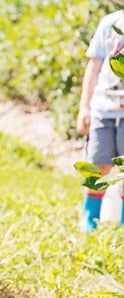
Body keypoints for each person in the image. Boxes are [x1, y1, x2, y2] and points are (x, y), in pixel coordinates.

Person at [76, 0, 124, 231]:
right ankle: (90, 217)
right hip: (103, 109)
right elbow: (94, 67)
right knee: (97, 165)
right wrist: (84, 107)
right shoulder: (110, 23)